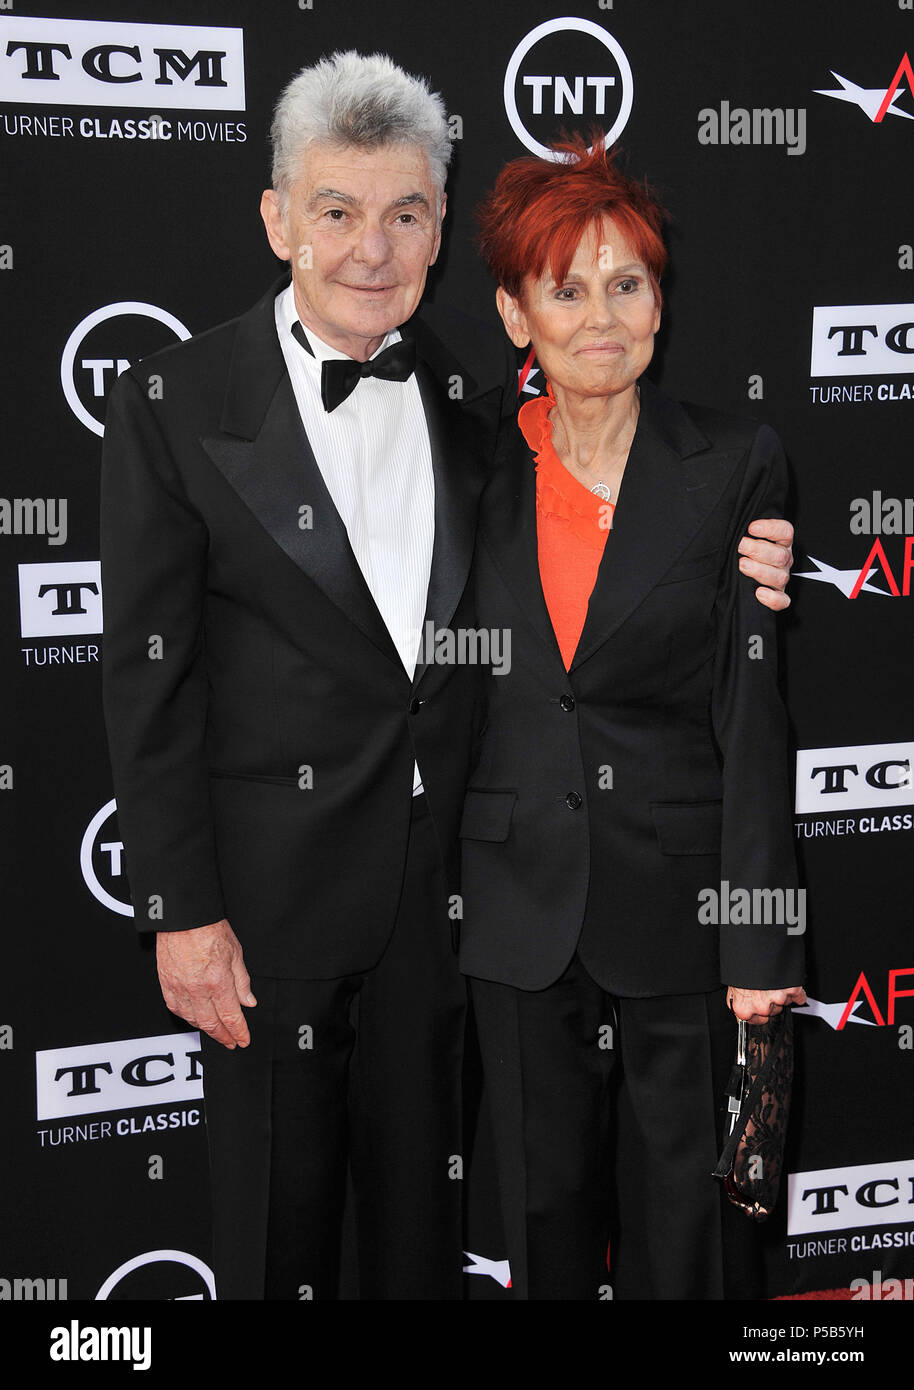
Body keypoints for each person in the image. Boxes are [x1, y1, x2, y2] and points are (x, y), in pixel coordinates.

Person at [100, 53, 794, 1302]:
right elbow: (148, 680)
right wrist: (178, 909)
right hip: (262, 919)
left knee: (425, 1240)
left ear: (434, 232)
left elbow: (635, 564)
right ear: (275, 219)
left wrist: (755, 561)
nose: (373, 247)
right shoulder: (174, 401)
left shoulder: (471, 420)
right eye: (336, 211)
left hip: (446, 914)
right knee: (274, 1237)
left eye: (406, 213)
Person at [459, 133, 806, 1300]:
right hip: (514, 910)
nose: (599, 316)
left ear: (659, 299)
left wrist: (760, 943)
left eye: (626, 282)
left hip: (685, 904)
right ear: (516, 314)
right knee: (538, 1220)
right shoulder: (464, 473)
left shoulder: (732, 467)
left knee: (691, 1240)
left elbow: (753, 717)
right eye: (564, 288)